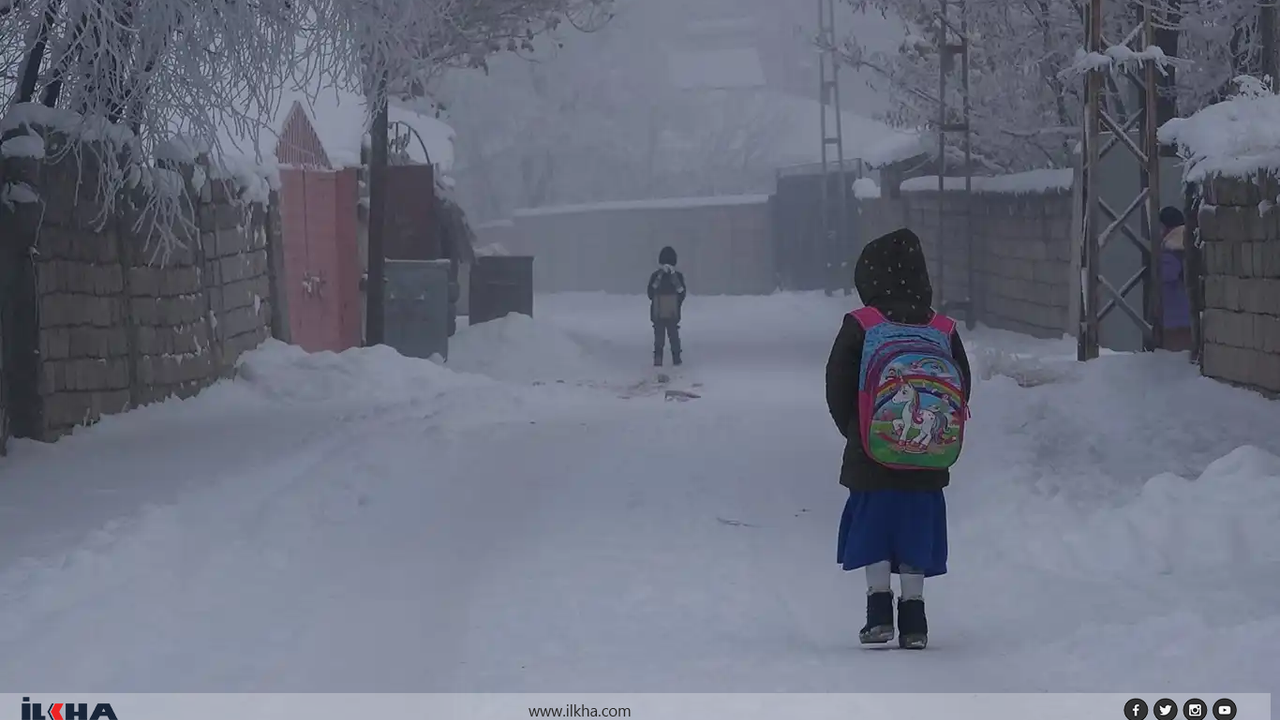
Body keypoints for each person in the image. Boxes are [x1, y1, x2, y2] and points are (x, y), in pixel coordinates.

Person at [825, 228, 973, 650]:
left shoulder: (863, 325)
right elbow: (961, 386)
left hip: (872, 458)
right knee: (915, 535)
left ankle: (878, 616)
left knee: (874, 532)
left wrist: (859, 432)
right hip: (927, 461)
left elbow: (838, 385)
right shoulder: (942, 328)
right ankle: (914, 622)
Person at [1158, 206, 1193, 353]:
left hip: (1173, 319)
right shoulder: (1189, 244)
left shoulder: (1171, 249)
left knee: (1174, 359)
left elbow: (1165, 275)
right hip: (1189, 317)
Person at [648, 246, 686, 367]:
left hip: (661, 311)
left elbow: (650, 293)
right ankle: (673, 359)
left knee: (664, 336)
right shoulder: (671, 276)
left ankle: (664, 358)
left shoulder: (660, 276)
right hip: (670, 311)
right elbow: (682, 293)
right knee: (670, 336)